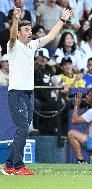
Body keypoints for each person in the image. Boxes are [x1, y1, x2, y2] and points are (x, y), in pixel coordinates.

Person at [1, 6, 73, 176]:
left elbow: (50, 36)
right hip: (17, 93)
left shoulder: (32, 45)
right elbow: (11, 35)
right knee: (22, 130)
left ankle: (9, 165)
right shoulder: (13, 45)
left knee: (23, 129)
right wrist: (16, 19)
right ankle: (18, 167)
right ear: (19, 33)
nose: (29, 32)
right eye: (26, 30)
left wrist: (62, 20)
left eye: (30, 29)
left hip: (28, 93)